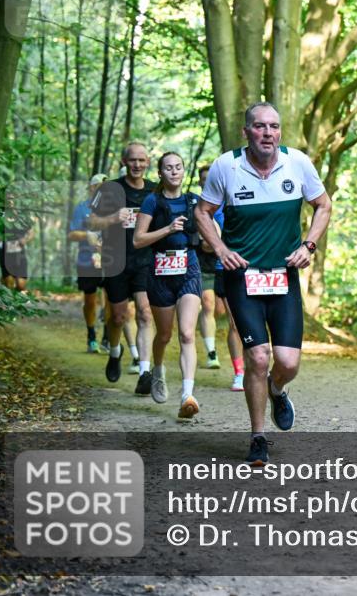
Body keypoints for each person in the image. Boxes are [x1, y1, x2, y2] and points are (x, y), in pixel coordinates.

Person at [196, 102, 332, 465]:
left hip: (283, 276)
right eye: (259, 126)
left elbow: (323, 205)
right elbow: (202, 212)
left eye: (273, 126)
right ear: (247, 132)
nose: (267, 133)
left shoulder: (298, 163)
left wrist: (309, 245)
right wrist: (221, 248)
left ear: (280, 132)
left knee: (287, 363)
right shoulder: (227, 166)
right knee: (258, 357)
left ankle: (277, 389)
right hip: (243, 279)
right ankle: (258, 436)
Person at [133, 152, 203, 418]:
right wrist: (168, 230)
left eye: (178, 167)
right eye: (168, 168)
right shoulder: (152, 200)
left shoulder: (193, 200)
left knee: (186, 333)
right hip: (160, 272)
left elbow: (208, 233)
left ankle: (187, 394)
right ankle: (158, 370)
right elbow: (138, 240)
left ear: (184, 171)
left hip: (189, 269)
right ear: (160, 173)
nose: (174, 172)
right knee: (164, 335)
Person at [89, 142, 156, 389]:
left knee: (145, 312)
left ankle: (145, 372)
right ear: (124, 162)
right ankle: (115, 353)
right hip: (115, 260)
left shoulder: (154, 190)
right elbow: (92, 222)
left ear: (148, 162)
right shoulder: (109, 189)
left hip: (145, 261)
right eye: (132, 160)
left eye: (141, 160)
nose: (137, 165)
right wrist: (112, 218)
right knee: (118, 317)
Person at [198, 164, 246, 391]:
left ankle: (259, 365)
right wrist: (213, 244)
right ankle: (239, 373)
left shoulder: (248, 199)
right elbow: (206, 245)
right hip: (225, 268)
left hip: (258, 268)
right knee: (235, 323)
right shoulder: (210, 210)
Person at [67, 174, 107, 352]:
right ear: (91, 188)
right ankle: (91, 337)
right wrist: (87, 235)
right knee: (90, 300)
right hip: (87, 260)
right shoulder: (81, 208)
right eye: (98, 186)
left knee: (112, 299)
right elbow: (72, 234)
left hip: (111, 260)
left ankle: (108, 337)